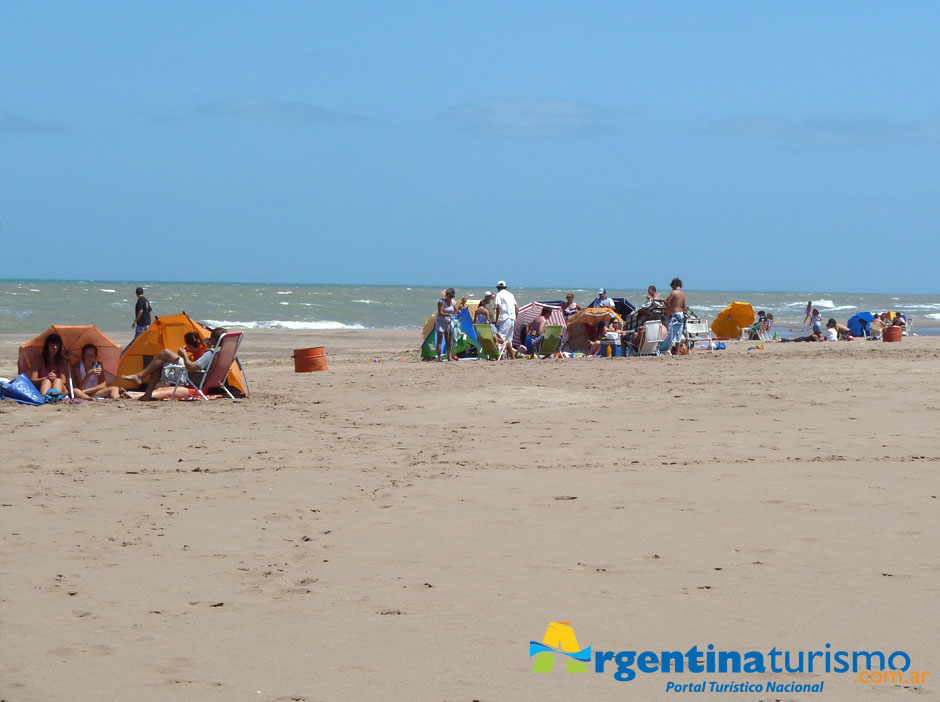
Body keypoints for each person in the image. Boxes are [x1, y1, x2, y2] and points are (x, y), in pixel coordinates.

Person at [121, 327, 226, 401]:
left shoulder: (211, 352)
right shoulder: (225, 353)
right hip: (200, 380)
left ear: (213, 340)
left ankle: (137, 389)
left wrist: (184, 355)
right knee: (162, 361)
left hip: (195, 384)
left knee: (164, 356)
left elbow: (192, 368)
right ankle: (141, 389)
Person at [659, 278, 687, 355]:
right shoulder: (683, 294)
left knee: (670, 333)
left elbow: (668, 303)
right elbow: (684, 307)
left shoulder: (673, 292)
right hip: (681, 315)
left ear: (674, 285)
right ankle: (677, 352)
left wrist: (665, 300)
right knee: (679, 333)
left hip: (674, 315)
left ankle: (669, 350)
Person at [435, 289, 459, 362]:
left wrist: (459, 310)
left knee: (448, 340)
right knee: (440, 340)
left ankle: (449, 356)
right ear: (447, 295)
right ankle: (439, 357)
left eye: (452, 296)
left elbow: (456, 310)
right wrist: (448, 314)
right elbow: (440, 312)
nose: (451, 298)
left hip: (448, 322)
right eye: (450, 296)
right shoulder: (441, 302)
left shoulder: (453, 302)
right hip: (440, 322)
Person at [493, 281, 518, 350]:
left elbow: (498, 307)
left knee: (500, 337)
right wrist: (516, 317)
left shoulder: (499, 294)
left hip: (505, 318)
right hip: (512, 319)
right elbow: (517, 307)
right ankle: (510, 355)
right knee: (509, 339)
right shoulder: (511, 295)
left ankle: (499, 354)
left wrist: (497, 319)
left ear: (498, 288)